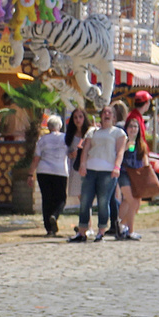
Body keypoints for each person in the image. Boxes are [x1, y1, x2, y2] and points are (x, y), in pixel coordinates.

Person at [70, 103, 124, 242]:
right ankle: (82, 231)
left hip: (107, 171)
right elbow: (86, 149)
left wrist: (116, 167)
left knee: (103, 201)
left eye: (109, 113)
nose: (106, 115)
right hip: (91, 169)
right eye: (104, 113)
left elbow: (120, 152)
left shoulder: (118, 132)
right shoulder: (92, 131)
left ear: (113, 116)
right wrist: (82, 165)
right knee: (85, 201)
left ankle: (101, 231)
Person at [33, 113, 71, 237]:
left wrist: (30, 173)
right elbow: (70, 154)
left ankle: (49, 229)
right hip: (60, 171)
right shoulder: (65, 138)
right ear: (59, 126)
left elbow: (36, 158)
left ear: (48, 127)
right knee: (61, 198)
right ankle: (54, 215)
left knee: (46, 199)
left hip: (43, 171)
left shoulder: (42, 140)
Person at [116, 112, 149, 241]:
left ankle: (121, 225)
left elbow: (145, 158)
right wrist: (126, 146)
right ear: (126, 128)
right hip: (124, 173)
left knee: (130, 202)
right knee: (132, 201)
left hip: (136, 175)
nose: (133, 129)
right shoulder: (122, 141)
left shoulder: (142, 144)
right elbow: (118, 154)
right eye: (131, 126)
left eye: (135, 127)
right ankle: (130, 230)